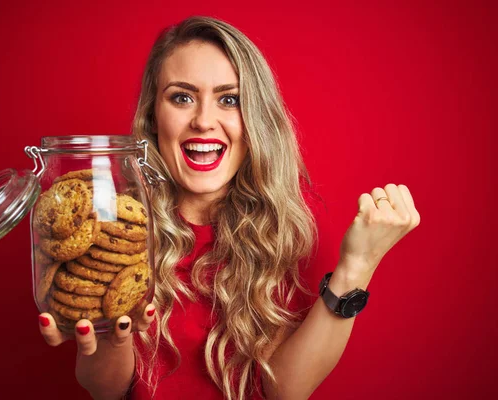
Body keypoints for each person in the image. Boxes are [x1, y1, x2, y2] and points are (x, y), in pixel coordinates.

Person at [38, 16, 420, 400]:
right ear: (154, 116)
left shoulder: (278, 231)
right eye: (182, 97)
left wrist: (358, 265)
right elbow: (105, 390)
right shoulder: (117, 227)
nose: (204, 121)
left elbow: (285, 390)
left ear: (255, 117)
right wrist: (110, 337)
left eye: (229, 99)